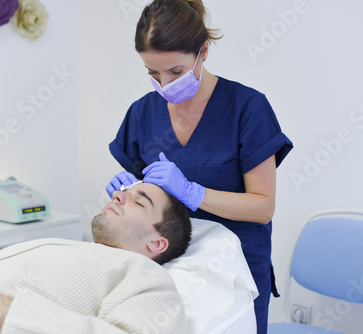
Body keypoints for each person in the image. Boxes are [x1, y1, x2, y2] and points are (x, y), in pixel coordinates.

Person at [106, 1, 293, 333]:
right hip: (165, 269)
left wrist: (193, 193)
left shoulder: (247, 109)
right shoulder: (142, 113)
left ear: (203, 51)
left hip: (234, 271)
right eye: (153, 73)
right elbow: (144, 194)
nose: (164, 85)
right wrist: (127, 190)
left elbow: (263, 207)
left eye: (175, 72)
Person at [0, 182, 191, 334]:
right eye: (123, 191)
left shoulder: (150, 279)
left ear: (157, 242)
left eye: (139, 201)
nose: (118, 195)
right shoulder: (71, 250)